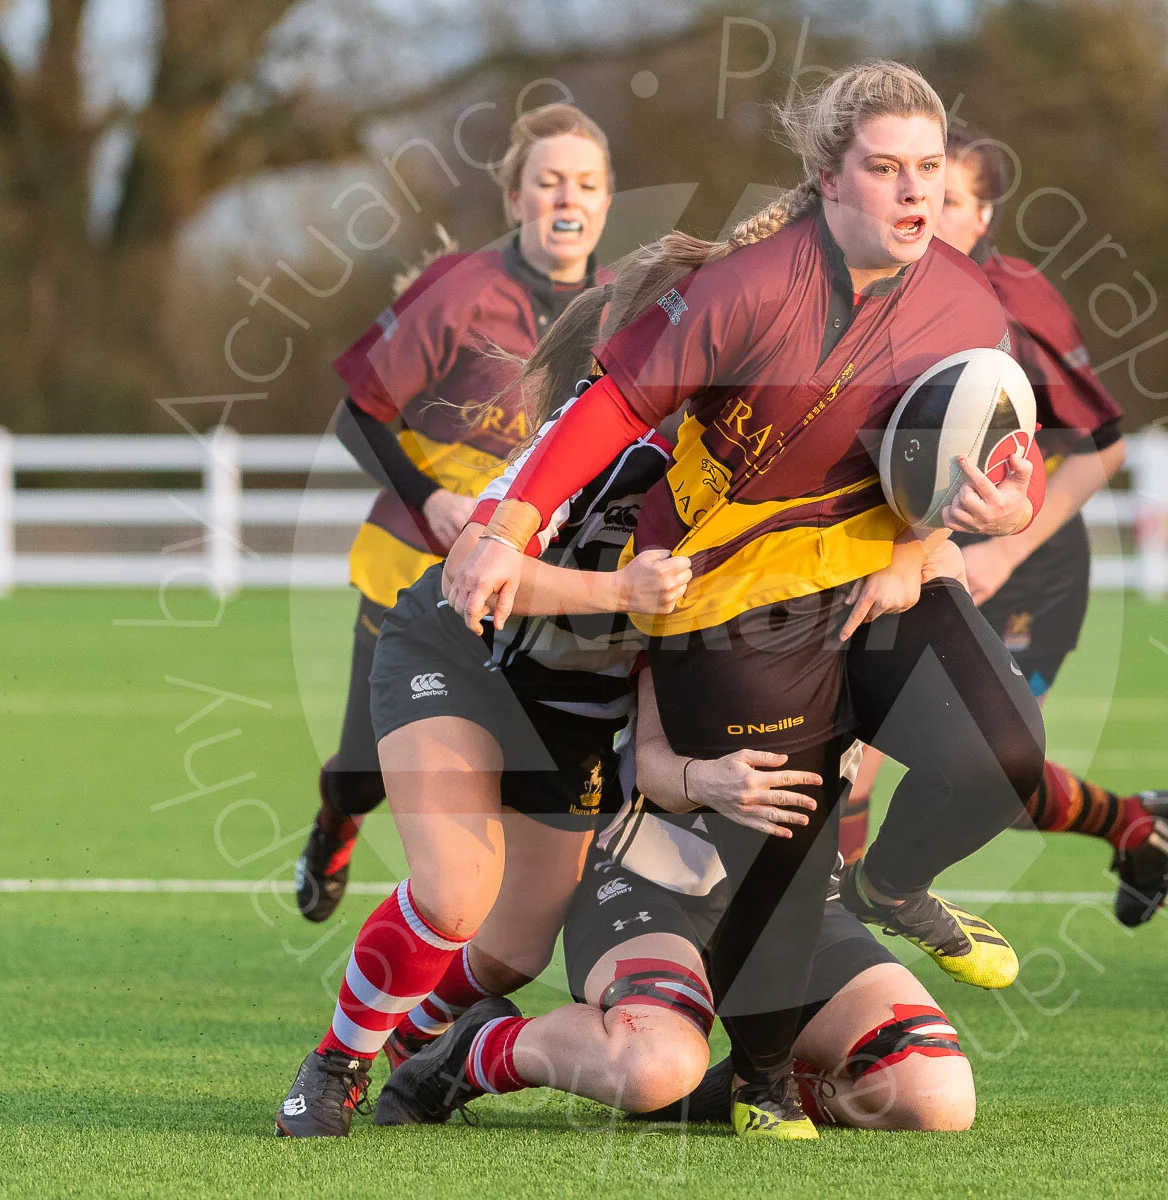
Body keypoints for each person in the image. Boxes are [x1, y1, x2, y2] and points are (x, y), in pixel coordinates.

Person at [444, 61, 1047, 1138]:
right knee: (750, 882)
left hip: (845, 672)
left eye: (928, 171)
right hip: (696, 742)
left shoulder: (958, 303)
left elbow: (997, 447)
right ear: (827, 178)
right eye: (885, 169)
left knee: (994, 781)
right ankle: (713, 1073)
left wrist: (978, 518)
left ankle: (864, 930)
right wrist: (512, 528)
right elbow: (612, 409)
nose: (914, 193)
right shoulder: (728, 324)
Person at [274, 392, 690, 1138]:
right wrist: (621, 594)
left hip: (575, 717)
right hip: (459, 655)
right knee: (455, 893)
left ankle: (415, 1042)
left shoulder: (758, 484)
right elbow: (476, 576)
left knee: (512, 950)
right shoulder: (595, 439)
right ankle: (337, 1064)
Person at [375, 661, 977, 1135]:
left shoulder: (870, 592)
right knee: (653, 1065)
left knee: (932, 1096)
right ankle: (479, 1049)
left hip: (791, 897)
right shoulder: (720, 579)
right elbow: (655, 763)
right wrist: (705, 781)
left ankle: (737, 1085)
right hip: (653, 876)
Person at [839, 128, 1168, 927]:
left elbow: (1104, 447)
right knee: (913, 761)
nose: (921, 206)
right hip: (929, 554)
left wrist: (1006, 546)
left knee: (970, 767)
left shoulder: (1015, 295)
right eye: (908, 185)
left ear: (985, 214)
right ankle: (1133, 821)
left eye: (949, 196)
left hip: (1029, 568)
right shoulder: (883, 290)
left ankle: (837, 949)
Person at [295, 103, 615, 922]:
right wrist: (431, 498)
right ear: (516, 197)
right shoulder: (462, 291)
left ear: (606, 200)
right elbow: (355, 415)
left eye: (584, 182)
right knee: (369, 767)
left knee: (527, 767)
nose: (565, 197)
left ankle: (490, 946)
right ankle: (337, 817)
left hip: (533, 581)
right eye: (547, 181)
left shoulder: (624, 307)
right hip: (418, 566)